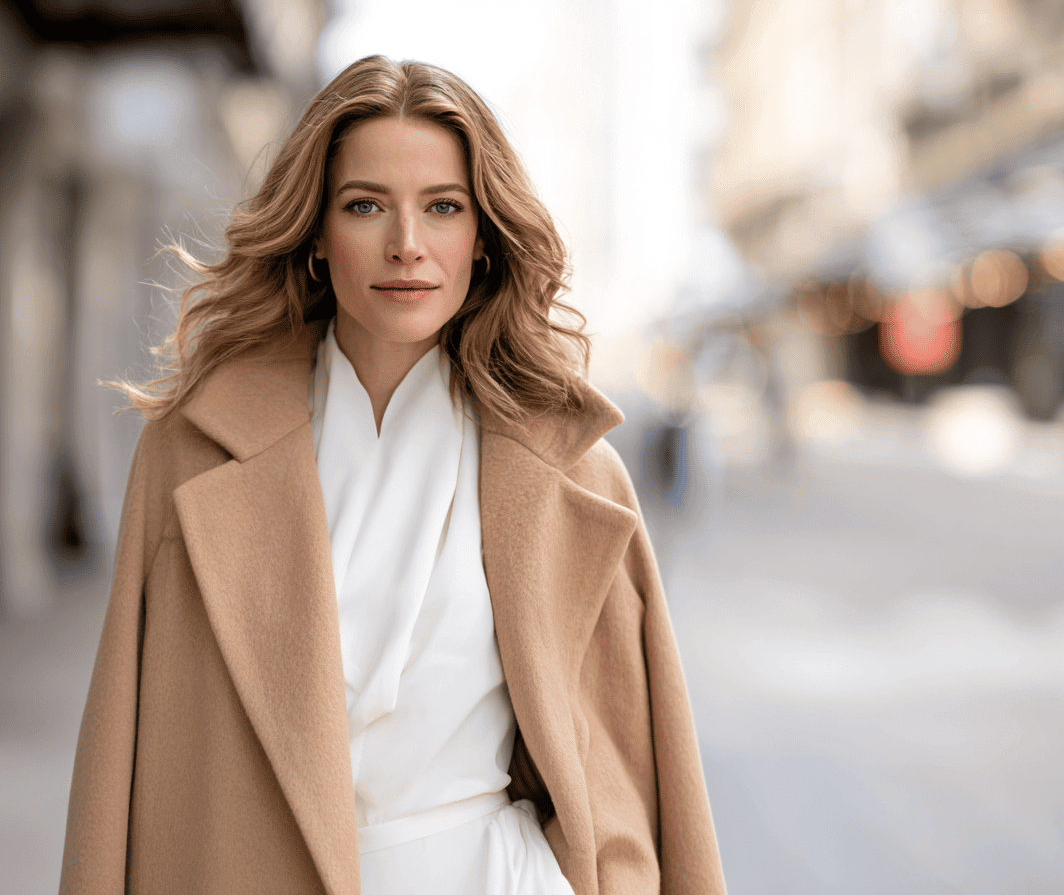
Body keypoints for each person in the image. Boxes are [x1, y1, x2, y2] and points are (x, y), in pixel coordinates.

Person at [59, 55, 725, 895]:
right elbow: (121, 747)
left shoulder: (574, 475)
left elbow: (636, 780)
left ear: (481, 242)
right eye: (366, 205)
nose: (407, 245)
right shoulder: (193, 452)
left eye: (442, 208)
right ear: (314, 236)